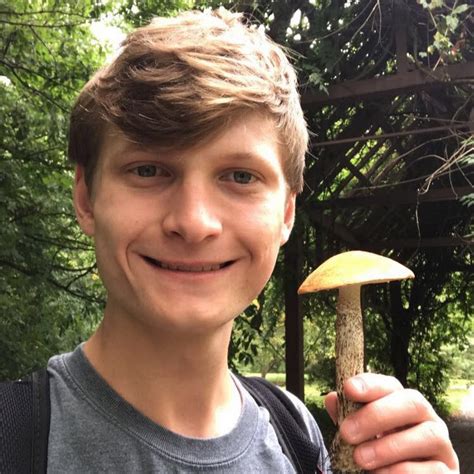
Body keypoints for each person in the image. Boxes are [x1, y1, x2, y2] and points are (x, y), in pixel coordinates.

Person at [45, 7, 459, 473]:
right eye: (148, 170)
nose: (195, 222)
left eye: (240, 176)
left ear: (286, 213)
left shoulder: (299, 440)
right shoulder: (17, 436)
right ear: (86, 198)